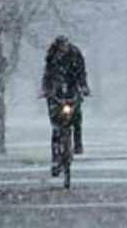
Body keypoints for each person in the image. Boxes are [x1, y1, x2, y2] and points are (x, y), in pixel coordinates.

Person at [41, 35, 90, 176]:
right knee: (56, 127)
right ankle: (56, 160)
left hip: (72, 89)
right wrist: (46, 89)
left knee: (77, 117)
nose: (62, 51)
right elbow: (47, 74)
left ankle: (77, 143)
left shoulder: (75, 55)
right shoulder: (51, 56)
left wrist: (84, 87)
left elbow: (81, 73)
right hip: (56, 92)